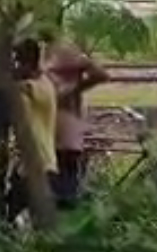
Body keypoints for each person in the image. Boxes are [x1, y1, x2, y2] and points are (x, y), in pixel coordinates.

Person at [43, 29, 109, 206]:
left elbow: (100, 75)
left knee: (64, 171)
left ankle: (66, 212)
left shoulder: (67, 53)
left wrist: (75, 88)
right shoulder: (43, 53)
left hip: (66, 123)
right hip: (48, 123)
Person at [12, 39, 60, 219]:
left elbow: (20, 87)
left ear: (28, 63)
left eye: (18, 61)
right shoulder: (34, 84)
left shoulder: (41, 86)